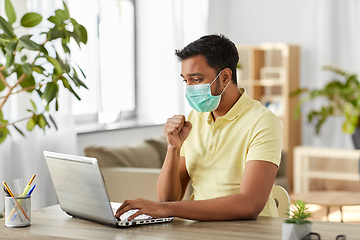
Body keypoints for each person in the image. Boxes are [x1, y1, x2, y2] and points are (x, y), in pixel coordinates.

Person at [115, 34, 282, 221]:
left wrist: (167, 209)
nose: (189, 88)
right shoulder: (195, 117)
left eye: (196, 80)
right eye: (185, 80)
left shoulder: (263, 121)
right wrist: (173, 147)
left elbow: (249, 204)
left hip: (249, 232)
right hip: (200, 228)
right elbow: (167, 200)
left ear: (225, 77)